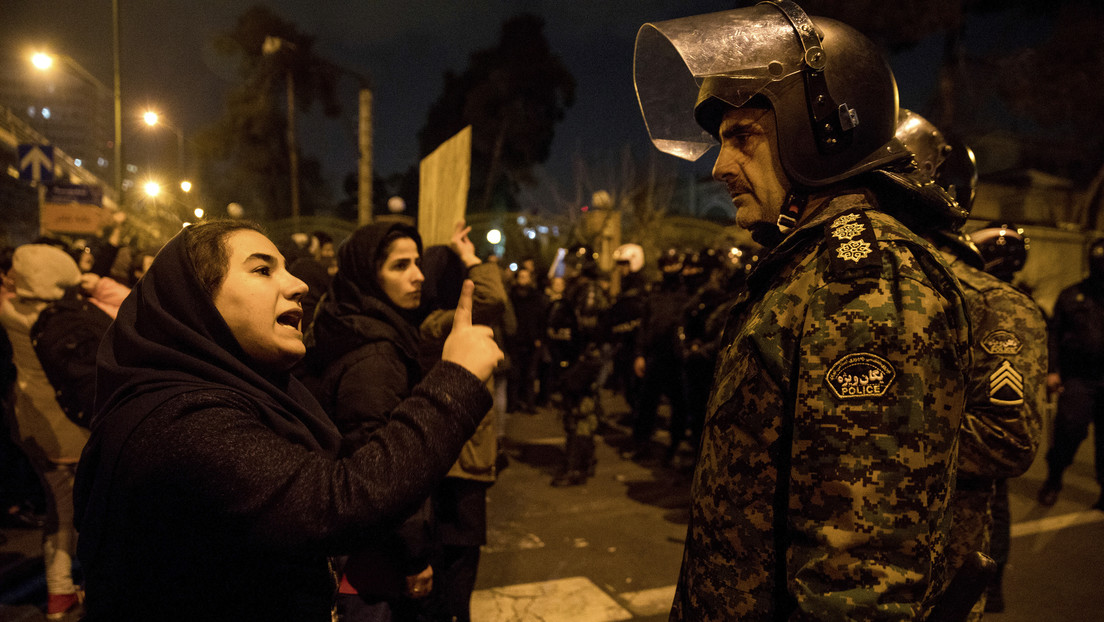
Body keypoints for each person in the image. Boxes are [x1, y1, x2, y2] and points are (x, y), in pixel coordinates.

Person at [634, 2, 971, 618]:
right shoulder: (806, 265)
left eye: (742, 138)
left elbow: (861, 578)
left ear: (822, 133)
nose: (720, 165)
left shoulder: (866, 285)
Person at [73, 219, 503, 622]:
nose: (298, 285)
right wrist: (456, 381)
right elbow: (337, 503)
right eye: (262, 270)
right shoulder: (180, 421)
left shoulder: (240, 391)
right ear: (196, 300)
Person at [893, 112, 1047, 619]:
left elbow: (1006, 440)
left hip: (925, 572)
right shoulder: (845, 279)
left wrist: (862, 435)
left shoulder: (991, 303)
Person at [305, 221, 434, 621]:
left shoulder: (356, 324)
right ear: (368, 274)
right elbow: (381, 467)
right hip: (372, 559)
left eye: (418, 262)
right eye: (400, 265)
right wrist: (414, 554)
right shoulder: (376, 357)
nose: (418, 275)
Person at [418, 221, 508, 622]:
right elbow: (493, 297)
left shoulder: (430, 320)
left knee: (451, 564)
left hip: (454, 458)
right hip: (461, 461)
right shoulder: (438, 324)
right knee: (456, 567)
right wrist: (470, 256)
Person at [0, 244, 89, 620]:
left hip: (30, 425)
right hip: (68, 428)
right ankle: (65, 591)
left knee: (59, 510)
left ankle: (60, 592)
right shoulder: (64, 318)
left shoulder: (9, 311)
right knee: (81, 515)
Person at [1037, 237, 1104, 512]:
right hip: (1079, 378)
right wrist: (1052, 371)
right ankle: (1054, 479)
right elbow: (1053, 336)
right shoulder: (1071, 295)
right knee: (1068, 430)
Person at [622, 247, 688, 463]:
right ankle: (641, 444)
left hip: (676, 358)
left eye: (673, 264)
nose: (670, 269)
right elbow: (645, 325)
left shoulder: (686, 291)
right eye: (666, 265)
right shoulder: (655, 291)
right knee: (646, 404)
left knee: (679, 406)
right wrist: (640, 354)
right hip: (655, 356)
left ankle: (674, 448)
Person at [506, 265, 547, 414]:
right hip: (515, 341)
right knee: (514, 375)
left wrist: (539, 338)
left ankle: (530, 404)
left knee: (530, 375)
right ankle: (512, 404)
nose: (523, 280)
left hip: (532, 342)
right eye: (520, 277)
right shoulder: (511, 297)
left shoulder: (536, 298)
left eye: (526, 277)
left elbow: (542, 319)